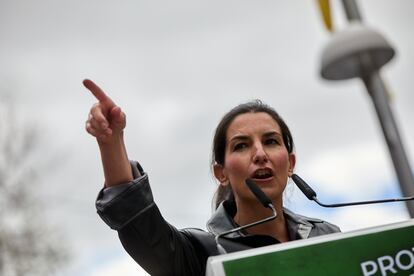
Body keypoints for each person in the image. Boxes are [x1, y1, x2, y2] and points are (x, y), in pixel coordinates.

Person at [84, 79, 340, 275]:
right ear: (222, 174)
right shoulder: (203, 254)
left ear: (291, 163)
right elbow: (140, 225)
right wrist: (111, 141)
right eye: (241, 145)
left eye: (271, 141)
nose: (260, 154)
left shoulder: (328, 237)